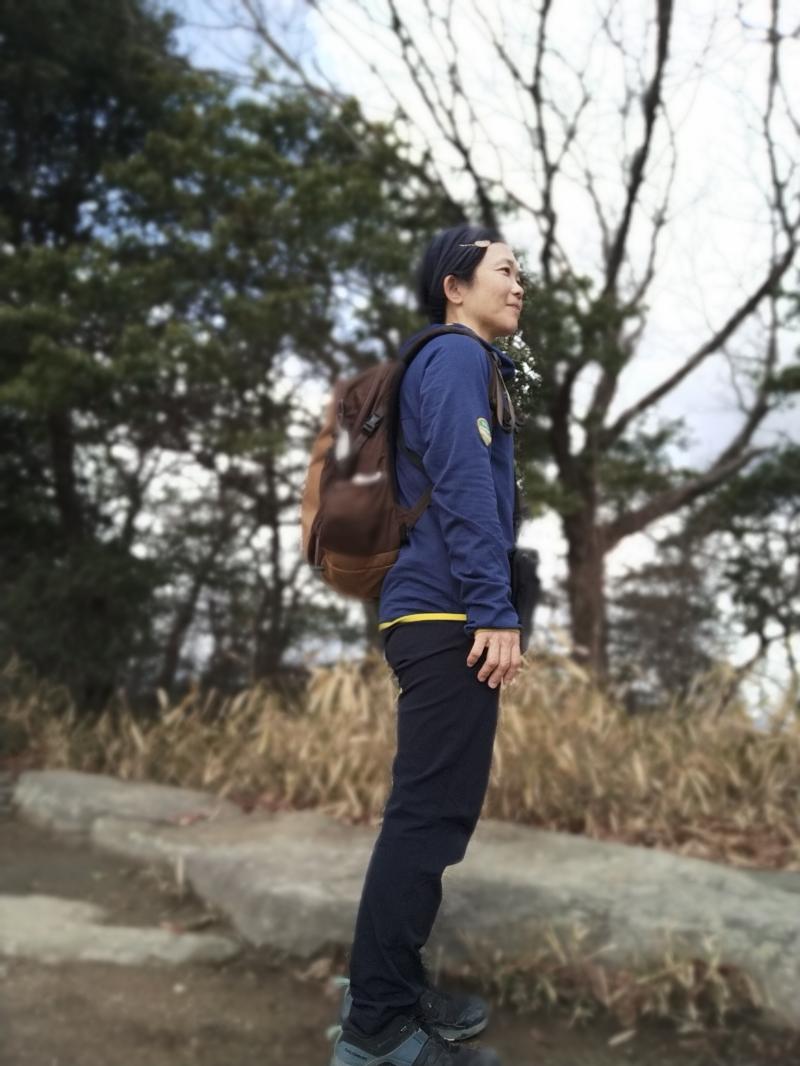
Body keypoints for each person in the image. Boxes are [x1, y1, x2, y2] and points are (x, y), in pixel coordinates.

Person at [330, 224, 525, 1066]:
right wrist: (494, 610)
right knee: (430, 814)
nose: (519, 284)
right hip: (450, 615)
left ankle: (389, 989)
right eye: (504, 270)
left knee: (432, 811)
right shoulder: (453, 357)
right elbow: (464, 484)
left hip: (439, 611)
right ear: (455, 285)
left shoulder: (462, 361)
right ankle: (376, 1027)